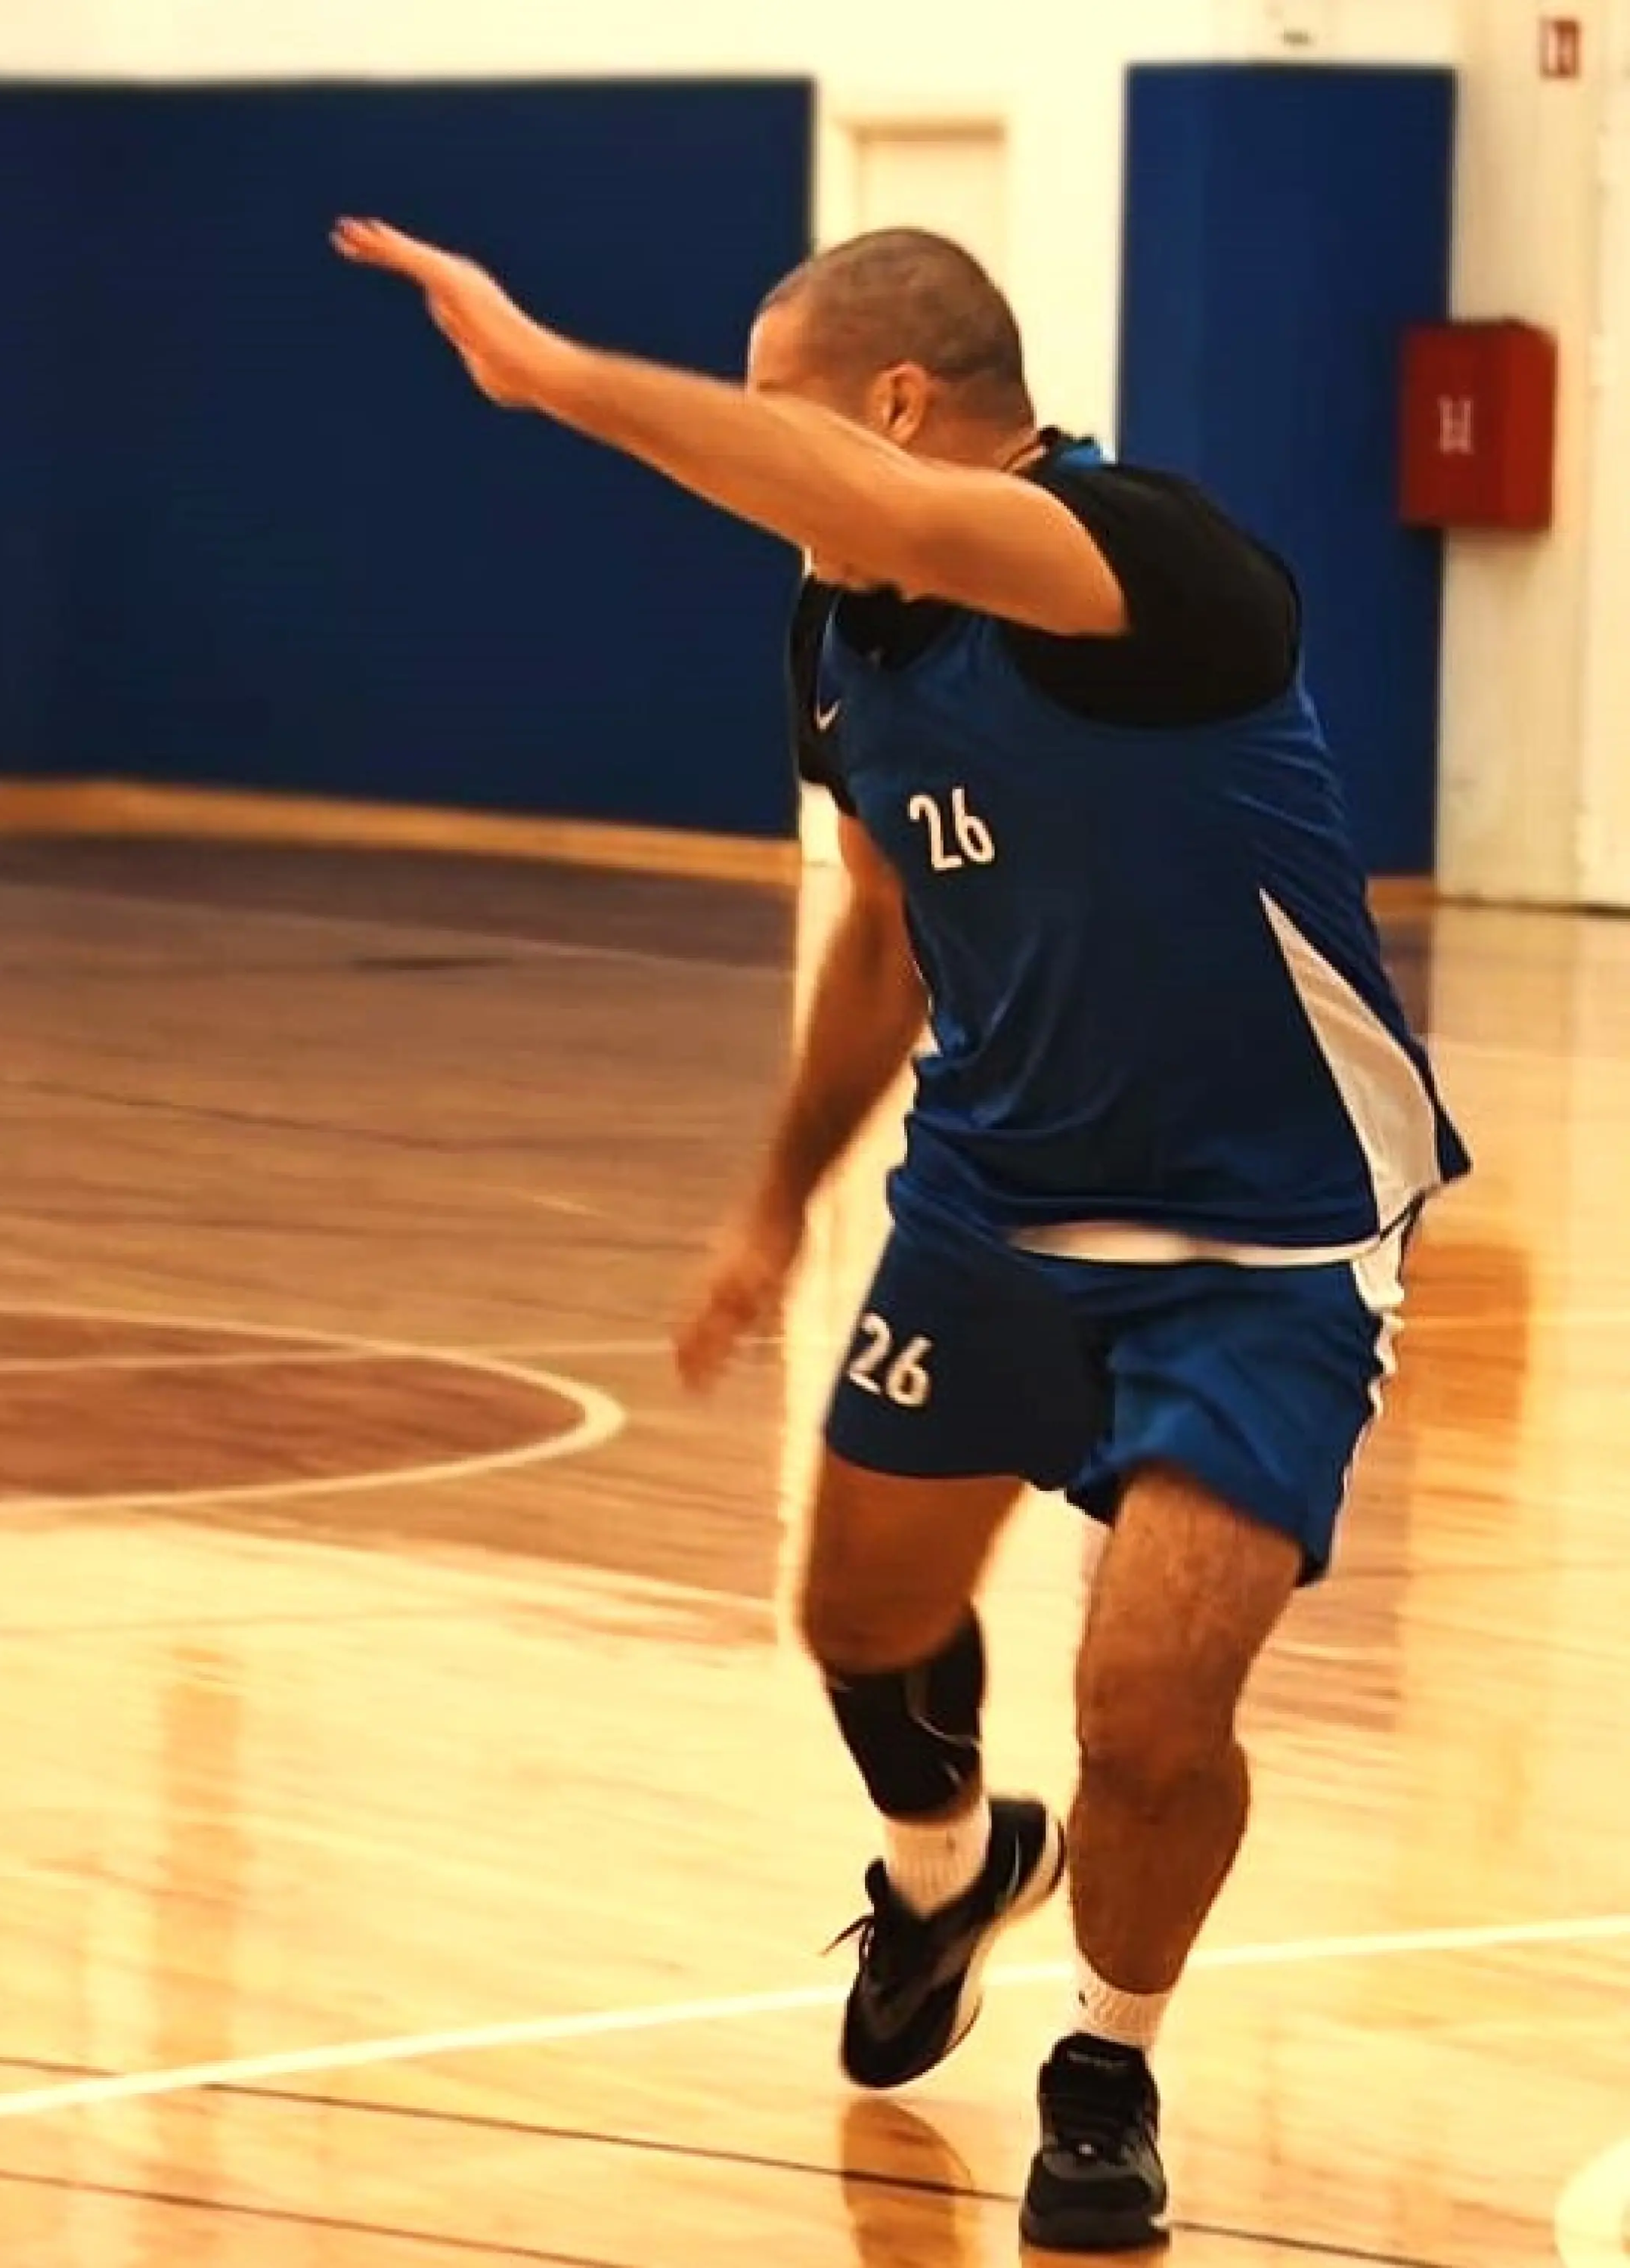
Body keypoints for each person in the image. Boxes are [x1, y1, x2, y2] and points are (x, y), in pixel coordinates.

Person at [336, 218, 1466, 2251]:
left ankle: (1108, 2062)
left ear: (899, 404)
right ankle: (949, 1875)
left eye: (779, 417)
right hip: (992, 1205)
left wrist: (551, 373)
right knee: (856, 1619)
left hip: (1262, 1237)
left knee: (1150, 1715)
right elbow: (882, 930)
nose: (766, 464)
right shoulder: (839, 630)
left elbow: (904, 518)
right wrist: (773, 1200)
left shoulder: (1144, 563)